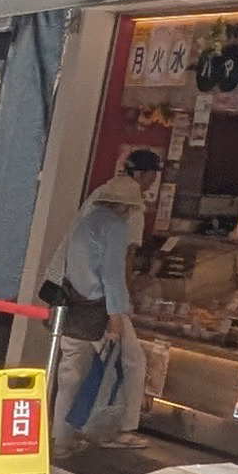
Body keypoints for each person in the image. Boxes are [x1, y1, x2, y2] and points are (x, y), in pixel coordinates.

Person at [51, 149, 159, 444]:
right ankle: (122, 429)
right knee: (133, 362)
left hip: (73, 303)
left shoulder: (89, 215)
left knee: (71, 371)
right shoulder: (116, 224)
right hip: (102, 308)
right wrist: (117, 316)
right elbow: (116, 271)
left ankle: (60, 438)